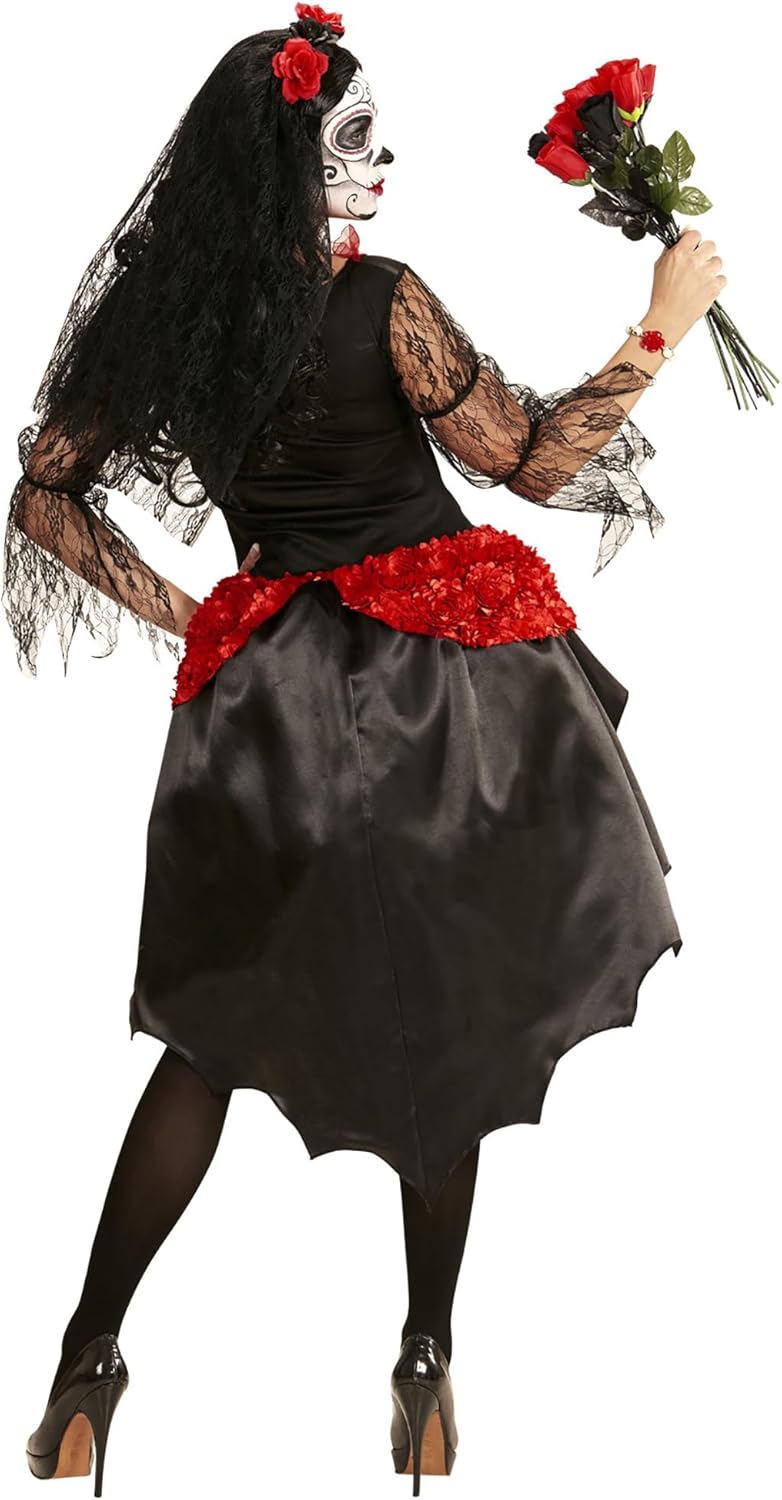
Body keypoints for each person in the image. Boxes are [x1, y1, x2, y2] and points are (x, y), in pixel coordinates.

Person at [5, 8, 725, 1496]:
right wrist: (658, 321)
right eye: (354, 139)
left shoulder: (164, 315)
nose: (383, 163)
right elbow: (531, 459)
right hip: (441, 694)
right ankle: (425, 1367)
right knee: (452, 1019)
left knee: (205, 1038)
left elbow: (42, 495)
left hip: (267, 702)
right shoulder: (382, 299)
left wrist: (198, 608)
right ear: (287, 157)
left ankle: (87, 1365)